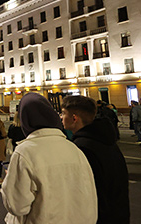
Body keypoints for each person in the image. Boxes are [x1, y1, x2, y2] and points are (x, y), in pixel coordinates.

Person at [1, 93, 97, 224]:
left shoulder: (25, 152)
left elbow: (17, 206)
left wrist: (9, 180)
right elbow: (89, 197)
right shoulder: (74, 149)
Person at [61, 95, 130, 223]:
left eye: (63, 113)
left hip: (99, 217)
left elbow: (84, 192)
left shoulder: (82, 148)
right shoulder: (106, 140)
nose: (61, 117)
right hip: (119, 213)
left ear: (74, 118)